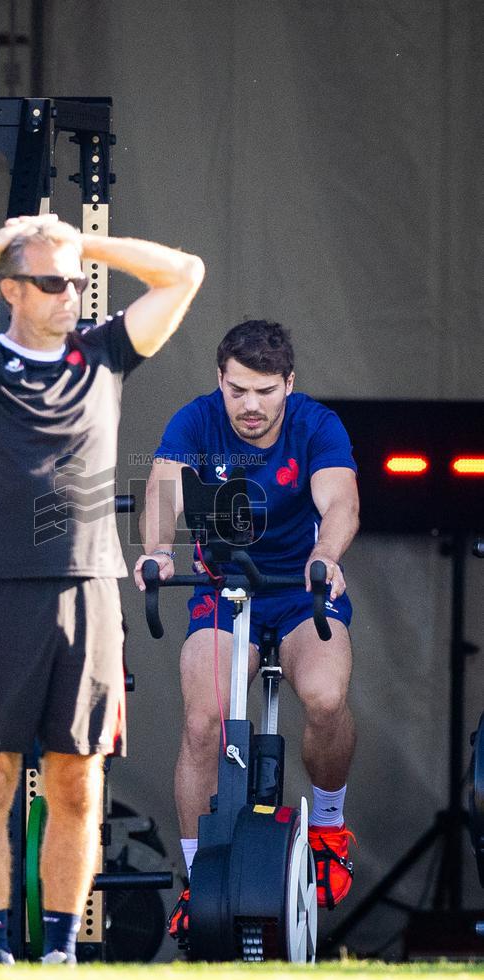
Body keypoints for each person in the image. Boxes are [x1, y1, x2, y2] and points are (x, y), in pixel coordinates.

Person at [0, 213, 204, 964]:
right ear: (10, 290)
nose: (70, 294)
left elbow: (184, 271)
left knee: (75, 778)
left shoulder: (101, 354)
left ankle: (60, 952)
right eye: (50, 282)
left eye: (75, 283)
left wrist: (79, 245)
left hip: (89, 589)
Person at [134, 319, 359, 937]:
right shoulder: (195, 420)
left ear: (289, 383)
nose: (250, 406)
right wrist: (158, 550)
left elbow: (340, 500)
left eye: (265, 391)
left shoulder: (317, 425)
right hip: (222, 591)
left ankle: (330, 830)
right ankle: (197, 881)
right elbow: (162, 487)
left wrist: (327, 557)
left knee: (325, 696)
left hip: (298, 591)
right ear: (220, 381)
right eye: (238, 391)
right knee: (204, 721)